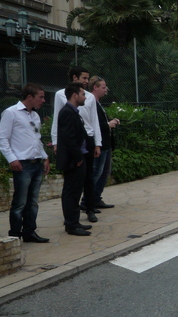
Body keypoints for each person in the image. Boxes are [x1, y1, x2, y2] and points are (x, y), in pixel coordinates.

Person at [0, 83, 50, 243]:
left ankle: (29, 231)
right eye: (40, 97)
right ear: (30, 97)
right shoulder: (11, 113)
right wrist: (12, 159)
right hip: (22, 163)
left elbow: (37, 138)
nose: (43, 100)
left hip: (36, 162)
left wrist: (44, 156)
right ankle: (15, 234)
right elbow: (3, 138)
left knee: (33, 202)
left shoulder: (34, 116)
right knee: (20, 201)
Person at [51, 66, 102, 223]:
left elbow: (94, 120)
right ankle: (72, 217)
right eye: (84, 78)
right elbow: (57, 119)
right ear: (75, 78)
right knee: (73, 181)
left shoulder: (89, 97)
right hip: (73, 140)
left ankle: (90, 208)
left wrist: (97, 143)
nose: (87, 81)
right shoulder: (61, 95)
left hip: (88, 137)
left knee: (89, 177)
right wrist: (55, 141)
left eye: (88, 78)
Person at [56, 83, 92, 237]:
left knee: (76, 191)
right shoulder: (67, 112)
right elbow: (70, 138)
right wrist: (78, 157)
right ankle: (71, 224)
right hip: (73, 160)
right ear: (75, 95)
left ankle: (74, 221)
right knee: (71, 192)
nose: (85, 97)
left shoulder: (73, 111)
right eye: (83, 94)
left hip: (79, 157)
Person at [86, 76, 119, 209]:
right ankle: (87, 200)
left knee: (104, 172)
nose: (106, 90)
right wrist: (107, 124)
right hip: (99, 143)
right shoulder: (91, 102)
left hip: (105, 143)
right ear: (95, 87)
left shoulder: (97, 103)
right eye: (103, 87)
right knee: (97, 172)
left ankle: (96, 198)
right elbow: (92, 123)